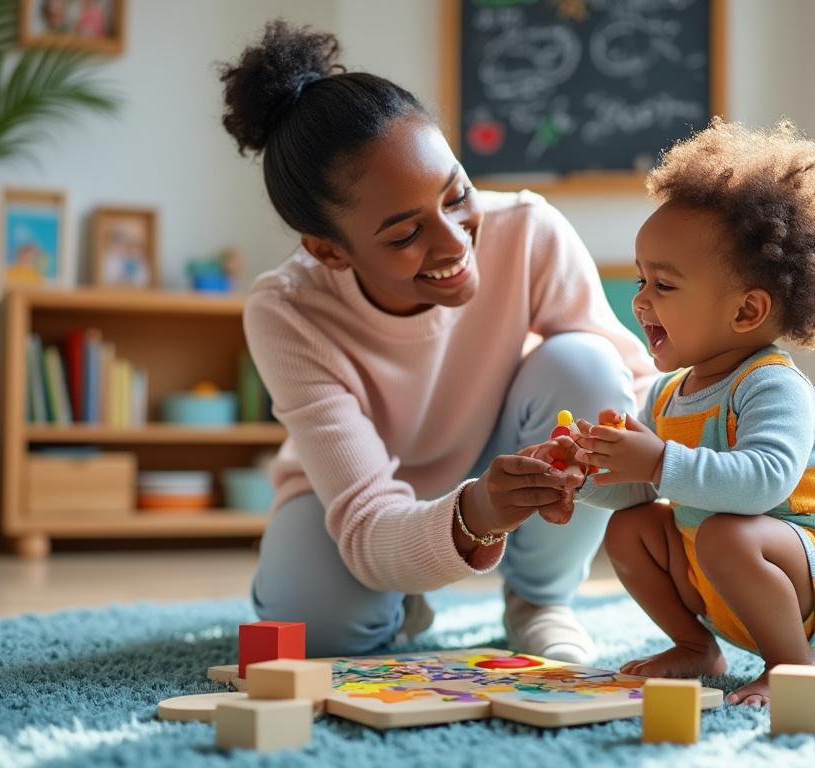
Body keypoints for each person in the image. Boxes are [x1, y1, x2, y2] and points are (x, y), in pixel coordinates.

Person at [219, 22, 656, 662]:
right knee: (321, 632)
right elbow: (365, 520)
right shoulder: (287, 311)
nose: (455, 242)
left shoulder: (528, 231)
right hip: (354, 490)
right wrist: (475, 512)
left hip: (496, 449)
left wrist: (717, 462)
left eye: (457, 194)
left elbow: (635, 392)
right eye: (404, 234)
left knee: (589, 368)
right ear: (329, 251)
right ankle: (401, 602)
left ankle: (539, 599)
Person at [553, 118, 815, 706]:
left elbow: (763, 483)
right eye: (642, 279)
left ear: (747, 312)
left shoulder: (773, 385)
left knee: (726, 534)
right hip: (720, 573)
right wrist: (587, 474)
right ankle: (695, 646)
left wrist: (657, 460)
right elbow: (641, 490)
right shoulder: (667, 393)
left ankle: (795, 665)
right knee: (630, 527)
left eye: (664, 285)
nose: (640, 300)